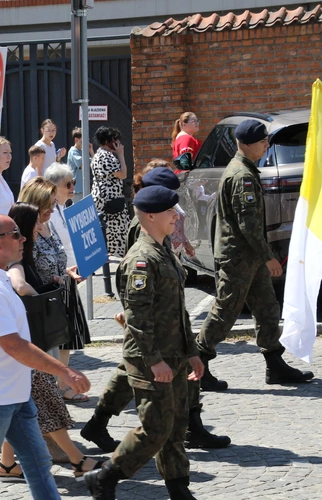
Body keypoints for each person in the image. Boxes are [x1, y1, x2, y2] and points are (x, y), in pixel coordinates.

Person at [83, 168, 231, 455]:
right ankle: (181, 431)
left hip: (163, 316)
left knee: (133, 369)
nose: (176, 210)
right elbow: (134, 271)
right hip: (150, 317)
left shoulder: (158, 219)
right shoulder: (144, 226)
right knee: (141, 368)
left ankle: (100, 422)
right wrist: (131, 310)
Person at [0, 213, 90, 500]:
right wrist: (64, 371)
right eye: (15, 234)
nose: (23, 238)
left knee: (39, 464)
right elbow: (13, 345)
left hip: (14, 392)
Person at [84, 185, 204, 500]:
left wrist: (192, 353)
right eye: (170, 211)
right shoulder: (141, 259)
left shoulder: (163, 249)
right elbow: (137, 317)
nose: (176, 216)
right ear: (150, 215)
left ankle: (179, 489)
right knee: (155, 429)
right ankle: (104, 476)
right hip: (151, 359)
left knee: (175, 426)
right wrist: (154, 361)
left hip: (174, 355)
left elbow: (179, 311)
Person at [196, 119, 313, 390]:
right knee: (225, 311)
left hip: (250, 256)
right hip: (239, 257)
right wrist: (268, 257)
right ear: (246, 145)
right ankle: (198, 363)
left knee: (267, 308)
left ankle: (275, 364)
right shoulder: (242, 176)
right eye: (262, 142)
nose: (266, 145)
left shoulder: (246, 170)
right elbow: (248, 225)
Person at [7, 203, 102, 478]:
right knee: (44, 399)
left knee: (15, 410)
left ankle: (7, 462)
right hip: (28, 340)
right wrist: (40, 299)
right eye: (35, 223)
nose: (39, 227)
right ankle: (73, 457)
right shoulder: (17, 258)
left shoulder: (24, 251)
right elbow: (19, 285)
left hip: (32, 339)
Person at [18, 178, 90, 400]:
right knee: (49, 346)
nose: (51, 209)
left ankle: (62, 386)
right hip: (43, 298)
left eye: (52, 203)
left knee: (64, 340)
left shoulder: (48, 224)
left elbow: (55, 257)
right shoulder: (25, 232)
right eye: (46, 205)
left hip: (61, 291)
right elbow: (26, 269)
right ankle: (51, 395)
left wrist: (67, 271)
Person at [91, 126, 130, 298]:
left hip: (104, 201)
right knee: (119, 235)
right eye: (116, 140)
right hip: (110, 203)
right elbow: (122, 174)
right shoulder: (107, 156)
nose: (119, 144)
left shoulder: (99, 155)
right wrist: (121, 155)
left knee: (106, 237)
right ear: (108, 141)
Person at [67, 127, 94, 203]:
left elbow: (94, 164)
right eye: (83, 141)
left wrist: (91, 151)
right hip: (77, 189)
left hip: (84, 188)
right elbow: (83, 165)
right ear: (76, 140)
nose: (86, 143)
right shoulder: (73, 151)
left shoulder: (83, 151)